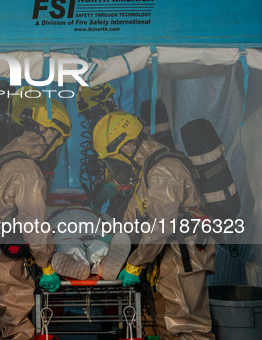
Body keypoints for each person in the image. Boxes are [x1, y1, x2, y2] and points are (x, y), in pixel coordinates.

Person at [92, 111, 216, 340]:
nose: (115, 167)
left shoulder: (164, 169)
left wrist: (135, 263)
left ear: (128, 145)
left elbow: (161, 224)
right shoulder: (149, 167)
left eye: (114, 159)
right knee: (166, 325)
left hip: (184, 256)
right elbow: (136, 210)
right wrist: (113, 238)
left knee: (187, 326)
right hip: (169, 255)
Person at [0, 97, 71, 339]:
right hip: (4, 262)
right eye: (59, 138)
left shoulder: (3, 153)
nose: (57, 146)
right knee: (16, 329)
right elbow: (34, 227)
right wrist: (46, 265)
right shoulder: (27, 170)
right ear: (48, 132)